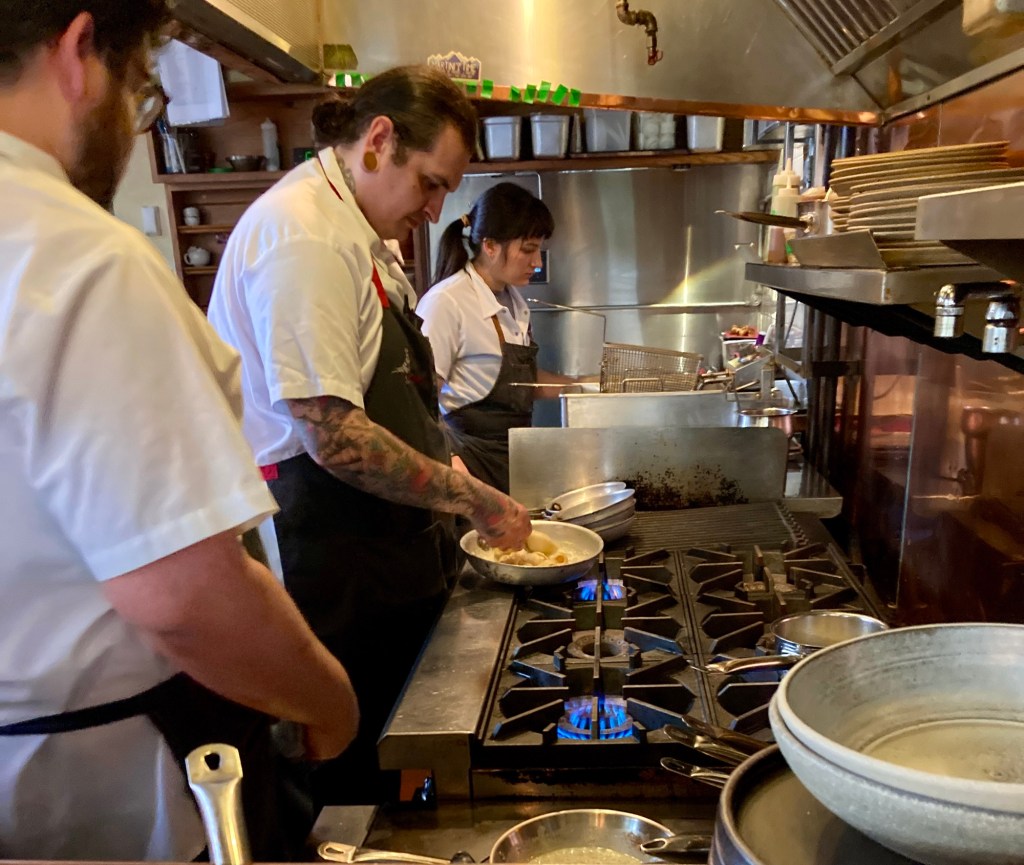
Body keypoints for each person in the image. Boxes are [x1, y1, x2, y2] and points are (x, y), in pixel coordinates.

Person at [0, 2, 360, 860]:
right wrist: (329, 699)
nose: (133, 123)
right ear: (79, 50)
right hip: (115, 792)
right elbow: (184, 600)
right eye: (139, 89)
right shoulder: (78, 256)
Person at [206, 67, 532, 803]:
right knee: (349, 769)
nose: (437, 208)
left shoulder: (356, 230)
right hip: (329, 543)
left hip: (373, 534)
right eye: (430, 184)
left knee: (392, 735)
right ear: (379, 140)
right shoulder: (305, 238)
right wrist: (473, 498)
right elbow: (333, 437)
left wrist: (443, 463)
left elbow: (392, 396)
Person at [418, 182, 563, 493]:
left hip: (511, 462)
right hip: (466, 467)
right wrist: (450, 460)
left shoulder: (514, 303)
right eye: (528, 250)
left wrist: (584, 386)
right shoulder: (447, 302)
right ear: (490, 246)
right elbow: (419, 402)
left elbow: (520, 384)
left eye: (538, 250)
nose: (537, 263)